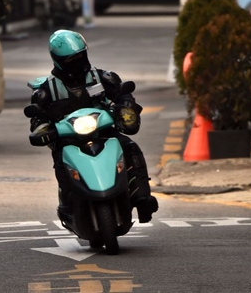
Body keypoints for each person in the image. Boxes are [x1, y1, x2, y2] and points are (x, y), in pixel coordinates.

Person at [27, 29, 159, 223]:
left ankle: (142, 198)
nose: (76, 62)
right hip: (68, 140)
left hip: (105, 133)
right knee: (60, 161)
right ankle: (68, 204)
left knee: (130, 147)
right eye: (70, 60)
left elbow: (124, 96)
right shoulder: (47, 90)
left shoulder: (102, 78)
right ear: (57, 60)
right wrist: (43, 129)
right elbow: (38, 119)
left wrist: (126, 108)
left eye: (80, 56)